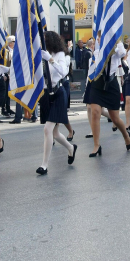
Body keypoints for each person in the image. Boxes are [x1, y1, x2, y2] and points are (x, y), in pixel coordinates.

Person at [82, 31, 130, 156]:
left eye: (101, 36)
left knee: (115, 118)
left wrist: (115, 42)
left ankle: (126, 136)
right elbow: (91, 69)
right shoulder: (96, 50)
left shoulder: (116, 47)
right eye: (98, 37)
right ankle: (96, 145)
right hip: (97, 83)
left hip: (111, 83)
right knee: (95, 112)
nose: (99, 39)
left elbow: (122, 53)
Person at [36, 31, 77, 175]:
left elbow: (63, 72)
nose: (41, 42)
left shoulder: (60, 55)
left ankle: (44, 165)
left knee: (47, 129)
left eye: (44, 39)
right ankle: (71, 148)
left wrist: (51, 60)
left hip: (58, 92)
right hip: (46, 94)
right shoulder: (40, 54)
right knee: (54, 132)